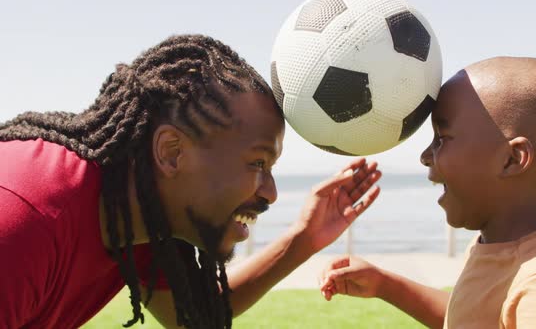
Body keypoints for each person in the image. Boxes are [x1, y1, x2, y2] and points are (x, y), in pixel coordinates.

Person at [0, 34, 382, 329]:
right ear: (171, 153)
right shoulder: (23, 221)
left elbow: (196, 316)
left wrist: (303, 239)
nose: (270, 193)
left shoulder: (141, 213)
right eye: (258, 162)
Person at [319, 56, 536, 328]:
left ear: (511, 159)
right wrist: (384, 285)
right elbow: (471, 318)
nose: (425, 156)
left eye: (442, 138)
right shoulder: (493, 245)